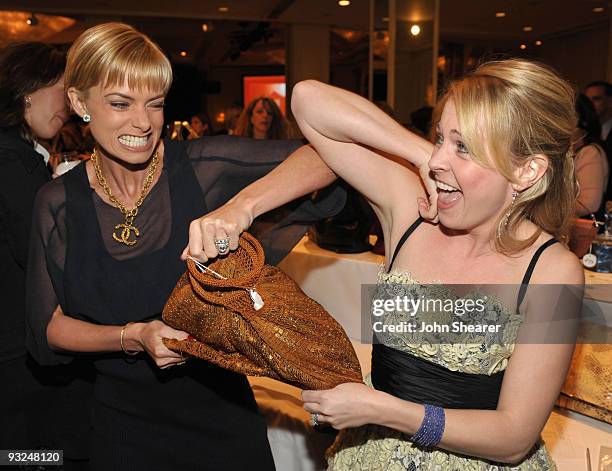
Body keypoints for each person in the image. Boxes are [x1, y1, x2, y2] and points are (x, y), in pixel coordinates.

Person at [199, 59, 584, 470]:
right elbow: (308, 98)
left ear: (528, 170)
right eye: (441, 138)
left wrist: (384, 411)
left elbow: (514, 436)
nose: (439, 160)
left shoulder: (553, 271)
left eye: (465, 147)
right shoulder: (410, 210)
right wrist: (419, 153)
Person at [25, 22, 344, 471]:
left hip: (222, 427)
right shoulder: (56, 203)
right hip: (121, 431)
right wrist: (132, 336)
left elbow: (327, 156)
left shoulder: (201, 168)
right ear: (80, 103)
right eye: (120, 103)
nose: (143, 122)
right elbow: (50, 326)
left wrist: (241, 207)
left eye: (154, 104)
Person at [0, 42, 94, 468]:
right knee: (35, 456)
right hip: (17, 355)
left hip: (19, 350)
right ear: (28, 92)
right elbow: (44, 253)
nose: (70, 106)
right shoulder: (12, 163)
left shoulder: (23, 158)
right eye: (63, 89)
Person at [573, 93, 609, 218]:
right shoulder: (572, 151)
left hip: (585, 232)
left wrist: (546, 210)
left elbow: (588, 204)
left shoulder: (589, 153)